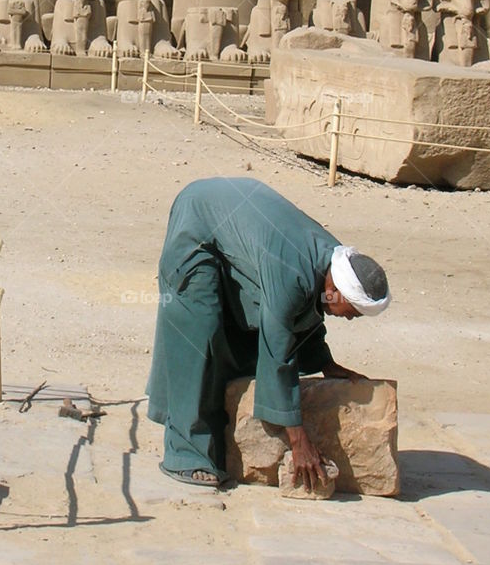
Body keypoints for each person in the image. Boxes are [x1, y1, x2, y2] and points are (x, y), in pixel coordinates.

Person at [146, 176, 391, 490]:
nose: (352, 319)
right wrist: (298, 439)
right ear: (335, 290)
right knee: (200, 327)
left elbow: (304, 311)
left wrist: (324, 363)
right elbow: (279, 350)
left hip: (230, 216)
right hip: (197, 220)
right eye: (353, 311)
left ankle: (217, 435)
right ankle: (185, 455)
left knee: (241, 340)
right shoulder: (293, 271)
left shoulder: (329, 262)